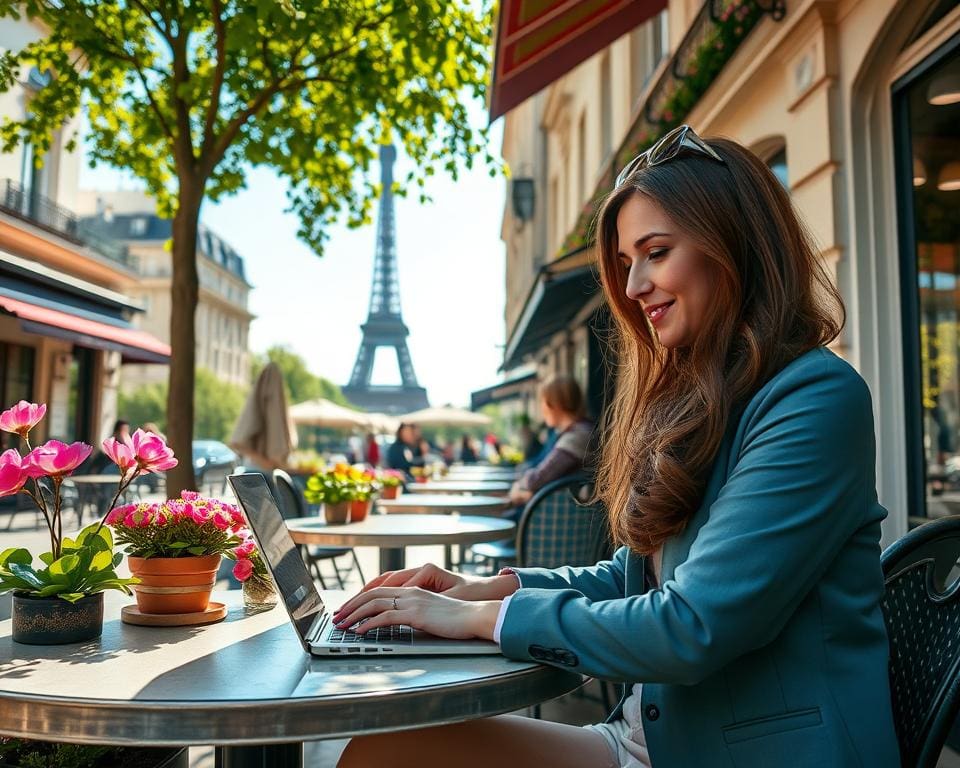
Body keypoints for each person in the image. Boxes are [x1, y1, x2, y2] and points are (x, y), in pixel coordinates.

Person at [333, 126, 899, 767]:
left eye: (655, 252)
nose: (631, 288)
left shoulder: (814, 398)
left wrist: (481, 621)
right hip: (655, 740)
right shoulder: (707, 400)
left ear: (734, 246)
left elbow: (691, 626)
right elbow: (630, 577)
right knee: (381, 751)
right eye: (627, 263)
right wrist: (483, 588)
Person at [507, 376, 592, 509]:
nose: (542, 408)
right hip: (565, 511)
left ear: (554, 404)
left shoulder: (576, 437)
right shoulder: (575, 432)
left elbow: (537, 479)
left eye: (543, 401)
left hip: (562, 517)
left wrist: (518, 484)